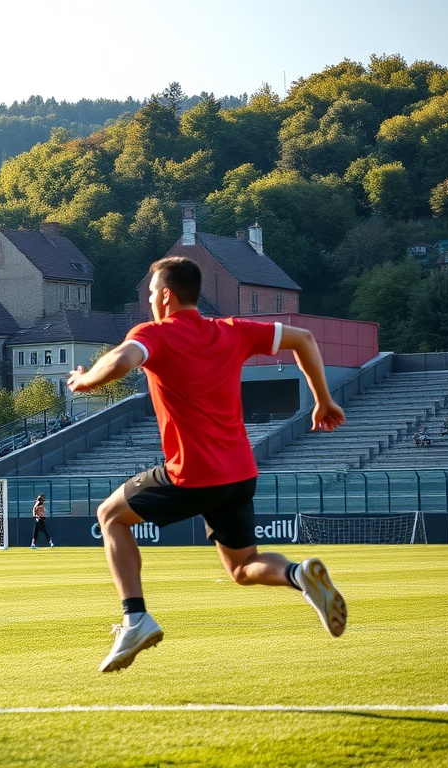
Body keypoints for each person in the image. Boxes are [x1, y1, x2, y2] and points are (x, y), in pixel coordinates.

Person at [67, 256, 348, 673]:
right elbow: (304, 338)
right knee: (240, 567)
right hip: (239, 474)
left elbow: (123, 359)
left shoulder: (155, 333)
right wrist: (323, 399)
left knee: (109, 515)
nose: (148, 302)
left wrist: (85, 379)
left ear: (165, 295)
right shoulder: (231, 330)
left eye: (149, 294)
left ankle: (135, 618)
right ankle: (298, 574)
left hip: (192, 473)